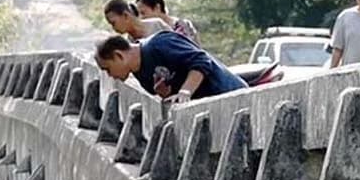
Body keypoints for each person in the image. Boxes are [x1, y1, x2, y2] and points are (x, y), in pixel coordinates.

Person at [95, 33, 246, 103]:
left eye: (108, 69)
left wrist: (185, 92)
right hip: (210, 107)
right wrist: (166, 93)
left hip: (231, 94)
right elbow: (173, 96)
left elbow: (201, 60)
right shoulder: (140, 73)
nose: (110, 75)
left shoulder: (159, 44)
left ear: (119, 56)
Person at [135, 0, 200, 45]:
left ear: (157, 8)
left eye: (143, 13)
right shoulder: (145, 32)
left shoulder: (183, 25)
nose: (141, 18)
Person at [102, 0, 170, 42]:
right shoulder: (129, 44)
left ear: (126, 15)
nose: (113, 28)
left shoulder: (157, 25)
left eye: (113, 23)